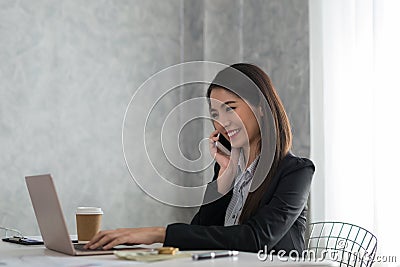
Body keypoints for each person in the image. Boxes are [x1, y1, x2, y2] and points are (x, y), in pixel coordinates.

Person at [85, 63, 314, 254]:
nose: (221, 122)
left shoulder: (296, 171)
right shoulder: (229, 166)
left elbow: (254, 239)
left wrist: (159, 233)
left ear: (261, 107)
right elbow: (201, 230)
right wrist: (222, 183)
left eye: (230, 108)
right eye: (215, 115)